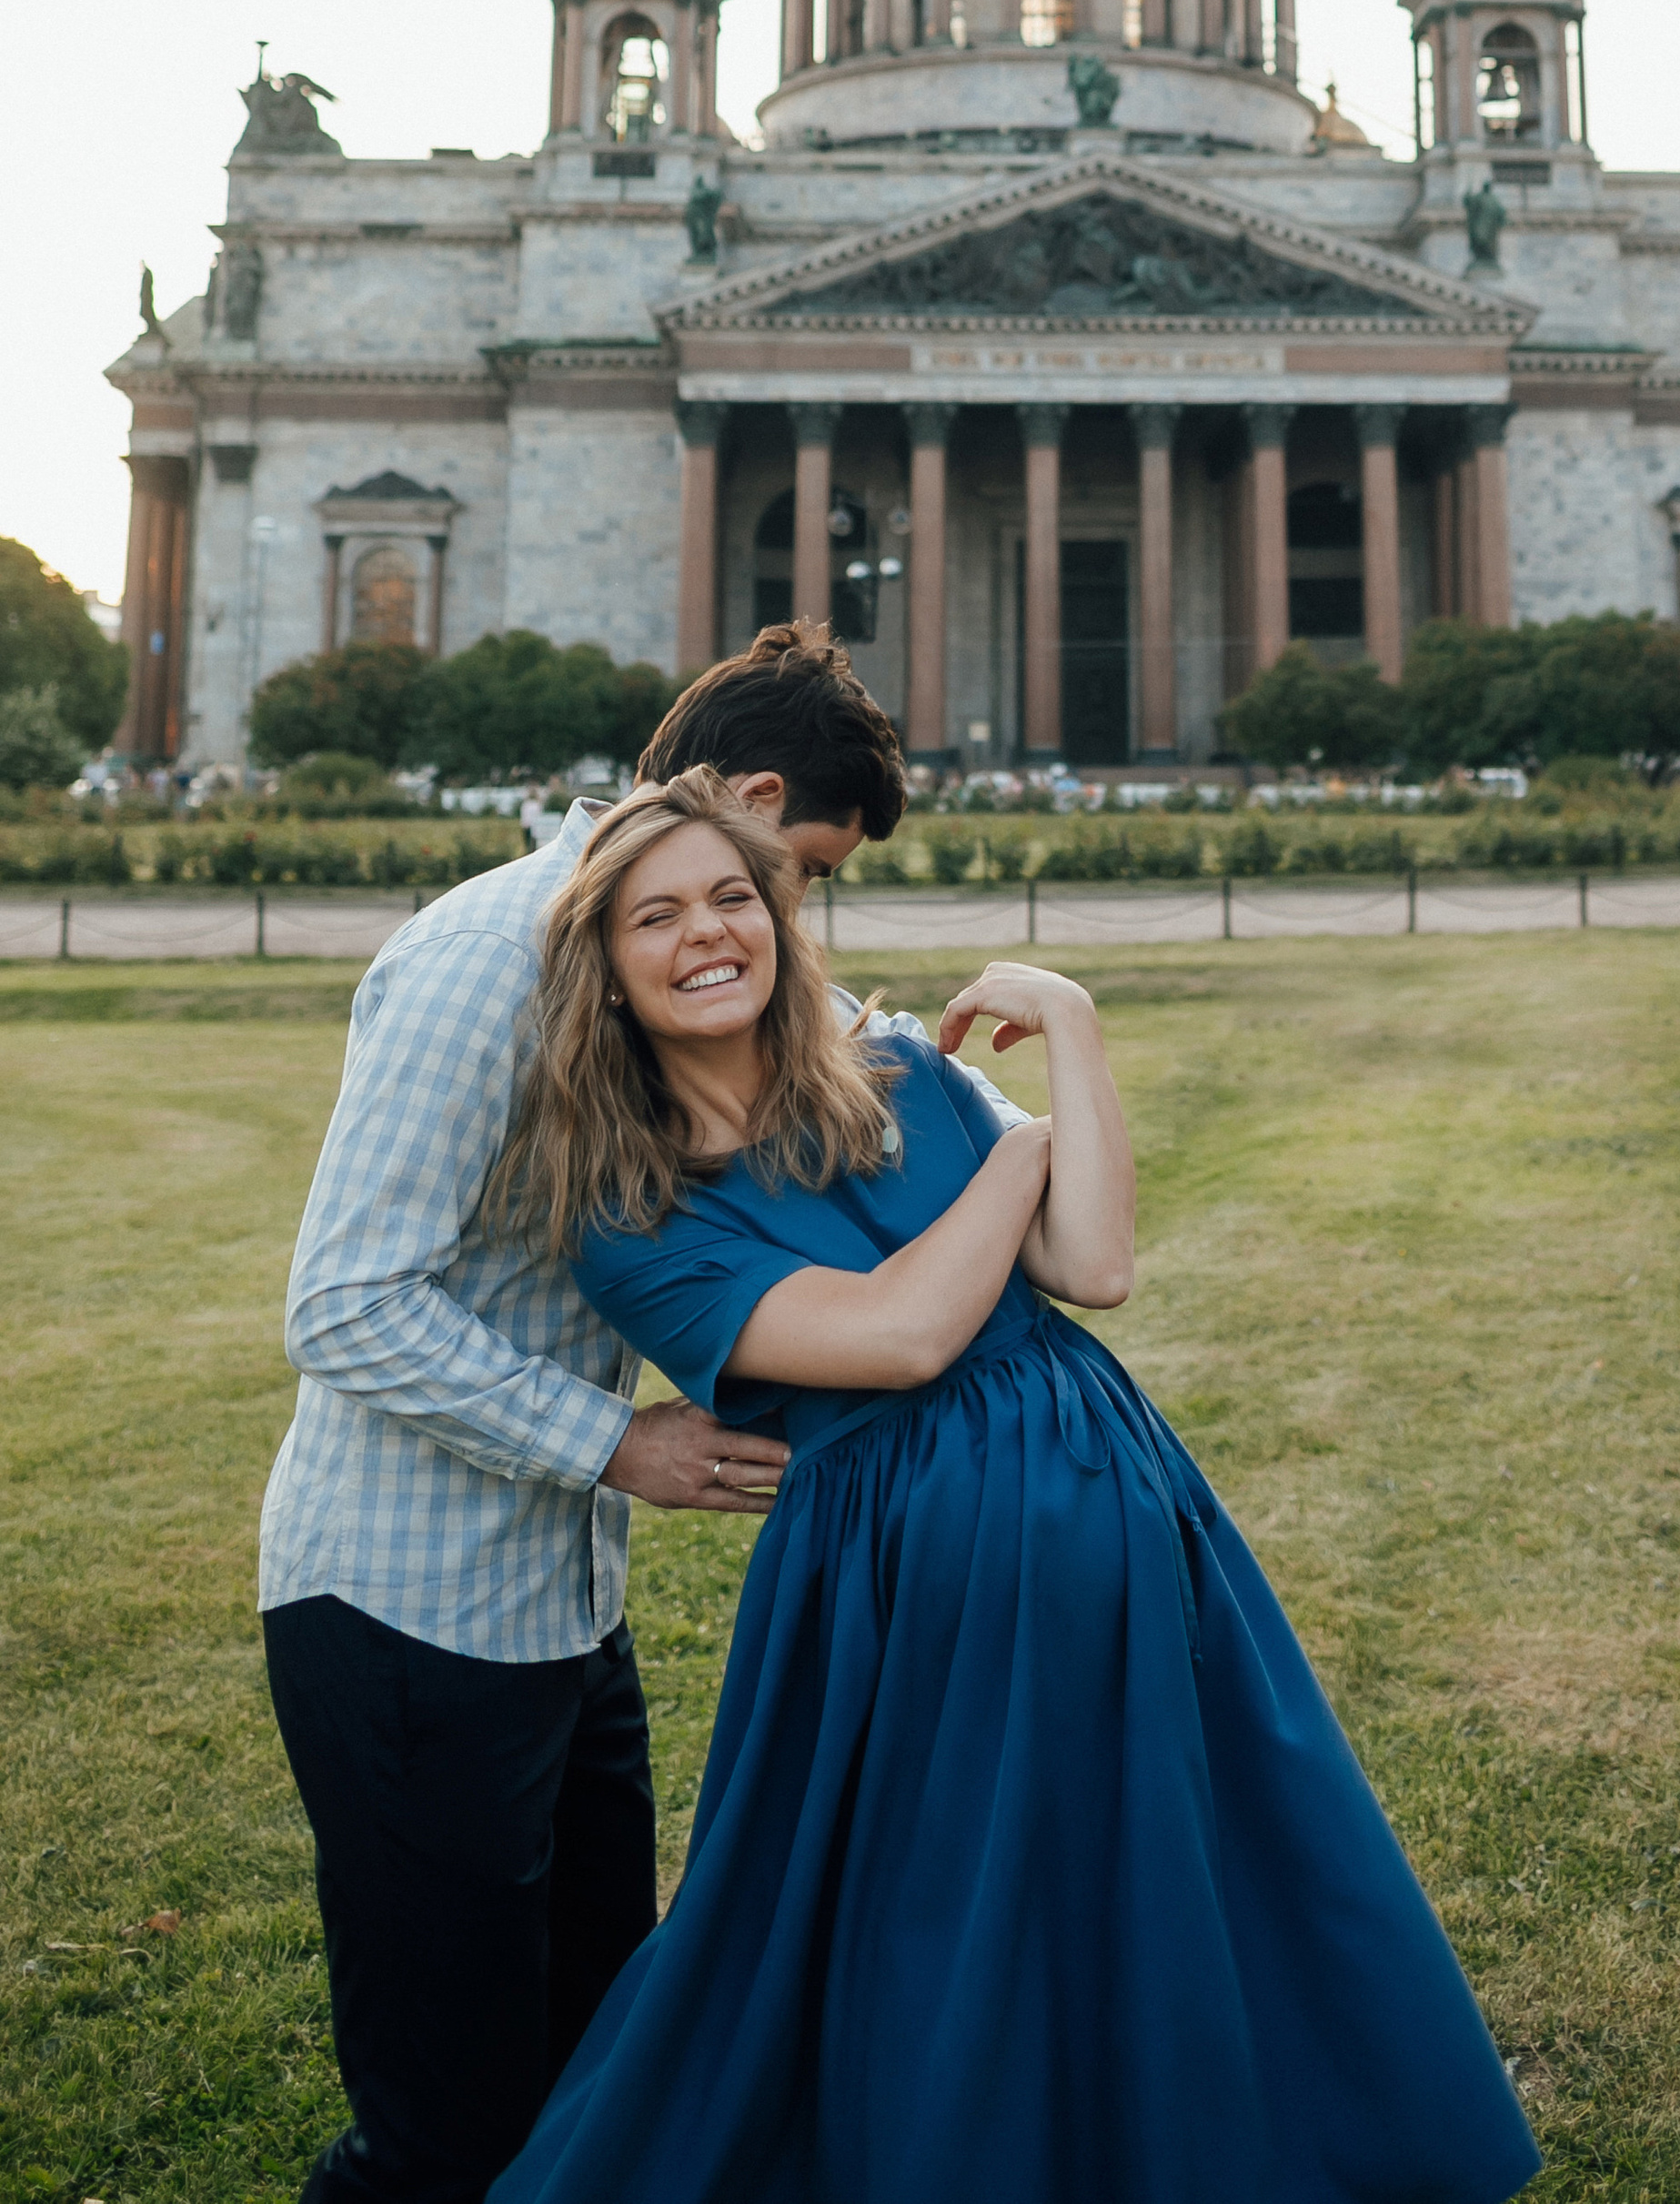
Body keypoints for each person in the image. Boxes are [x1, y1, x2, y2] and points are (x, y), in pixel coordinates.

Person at [484, 774, 1542, 2204]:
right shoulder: (629, 1213)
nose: (709, 935)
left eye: (735, 898)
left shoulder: (902, 1081)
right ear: (604, 972)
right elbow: (901, 1336)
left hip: (1115, 1505)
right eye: (657, 916)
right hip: (904, 1584)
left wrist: (1074, 1034)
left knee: (1166, 1866)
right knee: (939, 1907)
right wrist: (1023, 1150)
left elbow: (1093, 1267)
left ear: (783, 918)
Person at [260, 625, 951, 2204]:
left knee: (595, 2074)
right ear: (757, 798)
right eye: (815, 871)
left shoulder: (633, 962)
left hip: (557, 1612)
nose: (791, 914)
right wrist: (617, 1444)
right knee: (448, 2130)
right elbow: (346, 1301)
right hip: (404, 1615)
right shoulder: (484, 959)